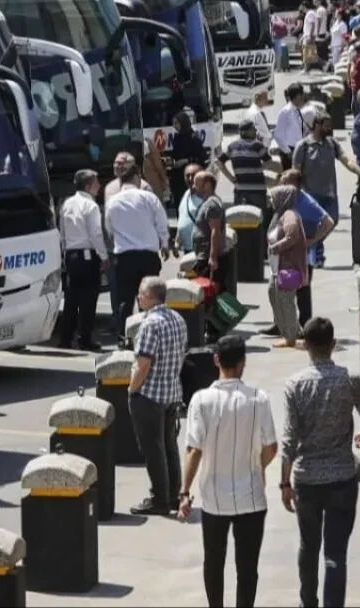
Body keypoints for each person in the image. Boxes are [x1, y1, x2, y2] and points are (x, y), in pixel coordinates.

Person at [280, 317, 360, 608]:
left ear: (305, 346)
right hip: (342, 478)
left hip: (307, 480)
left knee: (308, 547)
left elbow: (288, 439)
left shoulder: (295, 385)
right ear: (333, 345)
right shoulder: (351, 381)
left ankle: (307, 602)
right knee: (336, 553)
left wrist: (285, 482)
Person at [178, 335, 277, 608]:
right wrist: (257, 466)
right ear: (243, 363)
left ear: (216, 360)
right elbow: (271, 447)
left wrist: (184, 492)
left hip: (213, 499)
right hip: (252, 497)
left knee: (214, 562)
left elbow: (194, 450)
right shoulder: (259, 398)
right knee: (247, 567)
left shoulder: (201, 400)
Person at [128, 276, 187, 516]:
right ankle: (173, 495)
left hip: (149, 396)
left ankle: (159, 499)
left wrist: (132, 389)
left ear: (151, 296)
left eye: (141, 293)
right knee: (170, 447)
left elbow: (143, 364)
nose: (138, 296)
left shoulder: (150, 324)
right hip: (172, 392)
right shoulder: (178, 319)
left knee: (153, 450)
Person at [292, 107, 360, 267]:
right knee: (315, 225)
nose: (329, 129)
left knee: (332, 221)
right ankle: (315, 253)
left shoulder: (332, 144)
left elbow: (346, 160)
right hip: (310, 195)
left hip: (330, 194)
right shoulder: (303, 146)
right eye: (326, 125)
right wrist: (296, 192)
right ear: (316, 125)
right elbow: (295, 170)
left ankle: (313, 245)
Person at [262, 170, 336, 335]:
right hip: (283, 255)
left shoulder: (304, 202)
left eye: (286, 181)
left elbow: (328, 222)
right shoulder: (285, 199)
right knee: (277, 289)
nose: (282, 185)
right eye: (281, 181)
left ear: (297, 184)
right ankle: (281, 324)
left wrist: (312, 240)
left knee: (301, 292)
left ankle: (304, 327)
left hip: (301, 254)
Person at [105, 162, 170, 347]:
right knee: (150, 298)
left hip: (124, 257)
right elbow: (161, 222)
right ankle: (149, 336)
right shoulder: (148, 198)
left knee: (124, 300)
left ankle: (123, 338)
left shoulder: (112, 201)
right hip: (148, 256)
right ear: (137, 178)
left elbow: (108, 229)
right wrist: (164, 244)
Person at [58, 169, 107, 351]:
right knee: (88, 299)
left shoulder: (67, 204)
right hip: (87, 255)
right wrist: (104, 256)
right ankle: (84, 339)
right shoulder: (91, 206)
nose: (99, 186)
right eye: (96, 183)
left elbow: (62, 232)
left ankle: (66, 338)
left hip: (71, 255)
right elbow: (96, 233)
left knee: (71, 299)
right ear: (88, 185)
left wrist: (64, 254)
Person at [266, 185, 308, 349]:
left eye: (273, 197)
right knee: (274, 294)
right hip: (277, 267)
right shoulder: (280, 214)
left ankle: (290, 337)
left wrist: (276, 247)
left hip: (287, 268)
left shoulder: (289, 216)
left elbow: (292, 236)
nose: (270, 201)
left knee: (286, 301)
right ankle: (292, 329)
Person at [191, 171, 233, 294]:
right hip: (204, 256)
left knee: (212, 294)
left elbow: (215, 230)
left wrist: (213, 257)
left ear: (207, 185)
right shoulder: (208, 203)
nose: (193, 187)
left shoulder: (212, 204)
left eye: (196, 183)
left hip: (209, 259)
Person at [170, 110, 210, 209]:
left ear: (183, 123)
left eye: (176, 123)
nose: (174, 126)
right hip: (178, 179)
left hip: (192, 179)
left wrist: (186, 161)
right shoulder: (177, 139)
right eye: (173, 123)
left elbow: (203, 159)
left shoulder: (194, 140)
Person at [274, 83, 309, 173]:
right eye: (301, 95)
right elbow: (278, 135)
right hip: (289, 152)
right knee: (290, 181)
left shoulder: (298, 110)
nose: (302, 97)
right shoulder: (286, 112)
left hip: (299, 149)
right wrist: (288, 152)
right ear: (297, 96)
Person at [176, 163, 205, 254]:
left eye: (194, 175)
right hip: (188, 249)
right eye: (187, 175)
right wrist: (177, 241)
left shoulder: (207, 198)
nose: (190, 179)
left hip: (201, 250)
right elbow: (183, 218)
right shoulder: (186, 194)